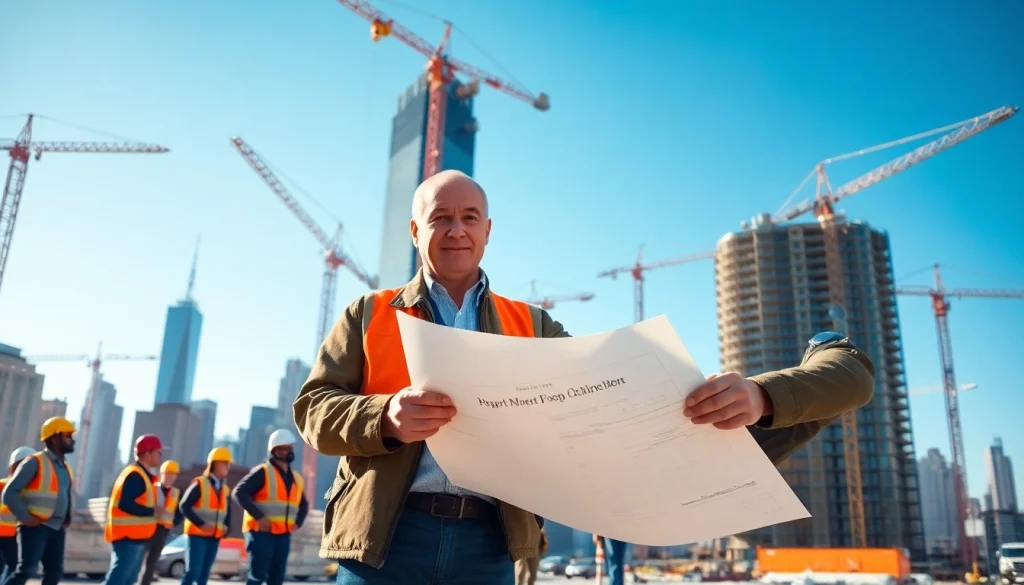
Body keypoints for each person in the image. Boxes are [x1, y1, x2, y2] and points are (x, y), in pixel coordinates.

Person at [292, 170, 876, 584]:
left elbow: (594, 405)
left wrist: (728, 399)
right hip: (385, 543)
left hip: (491, 542)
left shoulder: (534, 324)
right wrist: (385, 416)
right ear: (416, 233)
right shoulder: (368, 314)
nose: (455, 230)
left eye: (469, 218)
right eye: (439, 219)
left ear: (488, 231)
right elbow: (314, 409)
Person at [0, 417, 76, 585]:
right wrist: (26, 518)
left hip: (57, 528)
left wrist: (67, 516)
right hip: (36, 527)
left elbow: (64, 494)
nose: (72, 440)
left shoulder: (65, 468)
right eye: (68, 436)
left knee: (54, 573)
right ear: (55, 438)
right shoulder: (35, 462)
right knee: (26, 570)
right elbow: (9, 493)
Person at [232, 429, 309, 585]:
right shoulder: (263, 472)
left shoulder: (296, 478)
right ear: (276, 450)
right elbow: (239, 492)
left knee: (277, 578)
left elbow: (304, 504)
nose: (290, 451)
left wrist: (298, 522)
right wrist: (259, 517)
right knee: (257, 576)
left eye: (291, 447)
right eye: (286, 448)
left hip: (283, 535)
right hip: (261, 533)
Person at [102, 434, 164, 585]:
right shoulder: (135, 475)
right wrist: (152, 511)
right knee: (118, 579)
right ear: (148, 453)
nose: (160, 455)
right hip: (127, 538)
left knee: (127, 580)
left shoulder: (143, 475)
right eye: (158, 452)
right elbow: (126, 504)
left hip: (135, 539)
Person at [179, 448, 232, 585]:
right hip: (197, 535)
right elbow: (184, 506)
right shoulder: (200, 483)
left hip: (214, 537)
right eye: (224, 463)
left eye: (228, 463)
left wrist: (227, 527)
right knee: (193, 571)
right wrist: (201, 524)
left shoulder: (225, 489)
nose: (227, 466)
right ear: (214, 464)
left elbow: (227, 512)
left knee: (204, 574)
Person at [140, 460, 184, 585]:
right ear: (162, 474)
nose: (170, 477)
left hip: (163, 531)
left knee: (152, 562)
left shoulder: (176, 493)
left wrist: (174, 522)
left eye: (173, 474)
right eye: (168, 474)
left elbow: (180, 512)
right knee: (138, 560)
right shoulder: (152, 488)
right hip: (147, 528)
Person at [0, 447, 35, 582]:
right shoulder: (24, 485)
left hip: (6, 532)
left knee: (7, 566)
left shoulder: (2, 483)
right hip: (11, 531)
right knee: (15, 567)